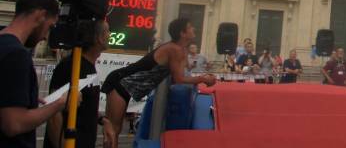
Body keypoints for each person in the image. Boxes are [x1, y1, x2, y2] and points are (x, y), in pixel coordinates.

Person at [102, 18, 217, 148]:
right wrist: (203, 79)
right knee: (113, 129)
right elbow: (179, 79)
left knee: (113, 130)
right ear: (182, 33)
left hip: (126, 84)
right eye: (190, 27)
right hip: (120, 82)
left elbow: (182, 74)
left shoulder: (181, 50)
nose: (194, 29)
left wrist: (203, 75)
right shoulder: (174, 50)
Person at [0, 0, 66, 148]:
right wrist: (59, 104)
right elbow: (13, 124)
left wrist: (23, 97)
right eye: (49, 27)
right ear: (40, 16)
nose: (45, 36)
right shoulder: (17, 54)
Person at [45, 20, 109, 148]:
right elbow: (53, 113)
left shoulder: (90, 66)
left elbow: (86, 105)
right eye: (107, 31)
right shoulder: (70, 66)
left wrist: (103, 120)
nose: (110, 34)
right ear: (99, 38)